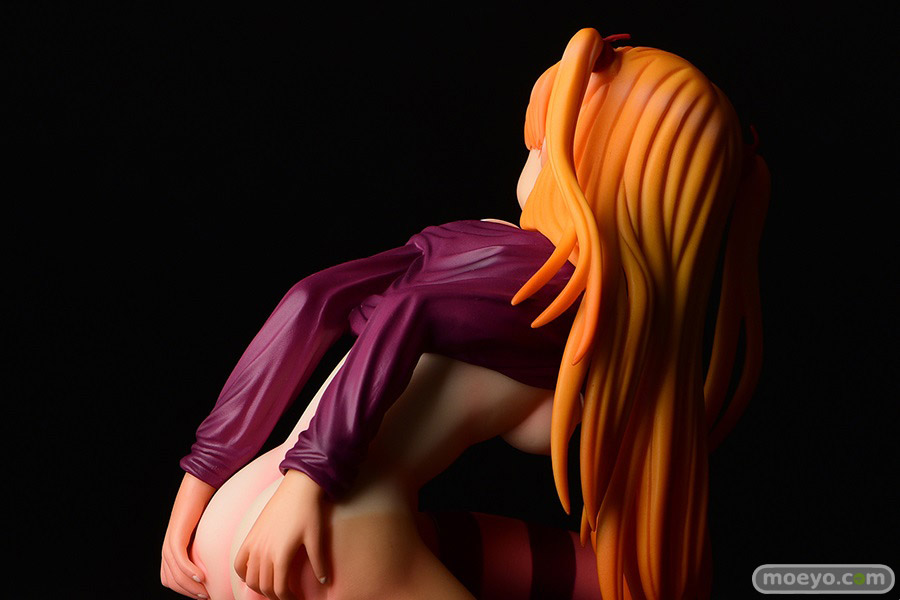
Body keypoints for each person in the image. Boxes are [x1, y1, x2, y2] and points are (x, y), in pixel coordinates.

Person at [162, 27, 769, 600]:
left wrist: (201, 482)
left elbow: (312, 297)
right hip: (326, 529)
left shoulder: (484, 238)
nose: (531, 159)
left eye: (544, 145)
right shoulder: (575, 296)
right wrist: (311, 481)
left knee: (550, 567)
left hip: (240, 506)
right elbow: (411, 312)